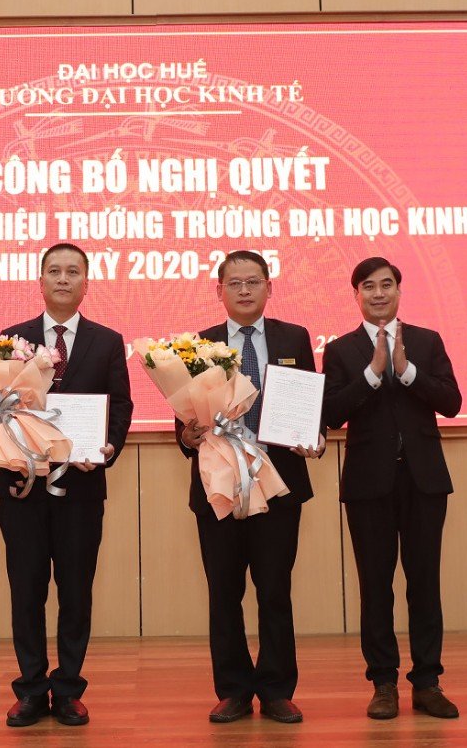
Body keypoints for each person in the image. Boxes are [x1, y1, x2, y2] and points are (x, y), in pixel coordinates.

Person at [177, 250, 324, 725]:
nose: (244, 290)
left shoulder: (294, 338)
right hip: (218, 486)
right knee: (224, 592)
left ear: (268, 287)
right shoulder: (199, 344)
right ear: (217, 290)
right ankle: (234, 690)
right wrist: (187, 435)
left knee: (275, 590)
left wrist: (313, 436)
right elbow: (183, 417)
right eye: (234, 282)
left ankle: (277, 689)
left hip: (277, 483)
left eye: (253, 281)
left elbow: (307, 401)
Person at [0, 242, 133, 728]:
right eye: (54, 271)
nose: (63, 279)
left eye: (73, 271)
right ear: (40, 280)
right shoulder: (10, 340)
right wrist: (3, 444)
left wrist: (109, 448)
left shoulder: (107, 341)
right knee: (26, 590)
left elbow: (120, 406)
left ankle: (69, 688)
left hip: (81, 489)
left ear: (86, 282)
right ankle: (31, 689)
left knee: (76, 591)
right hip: (22, 488)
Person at [321, 256, 462, 721]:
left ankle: (427, 682)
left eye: (386, 285)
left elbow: (451, 403)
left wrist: (405, 370)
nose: (378, 294)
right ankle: (383, 683)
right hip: (368, 485)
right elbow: (331, 413)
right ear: (356, 295)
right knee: (375, 587)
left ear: (399, 291)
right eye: (368, 287)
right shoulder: (340, 350)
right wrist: (372, 370)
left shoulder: (426, 340)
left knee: (425, 584)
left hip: (424, 482)